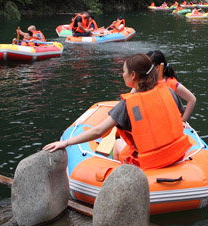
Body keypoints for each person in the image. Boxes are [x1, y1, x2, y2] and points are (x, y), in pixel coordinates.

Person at [43, 53, 191, 170]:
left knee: (118, 143)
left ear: (133, 75)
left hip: (150, 162)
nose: (122, 74)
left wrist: (66, 142)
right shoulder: (168, 91)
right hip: (177, 154)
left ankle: (121, 176)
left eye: (123, 71)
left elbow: (98, 131)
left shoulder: (127, 104)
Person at [146, 50, 197, 122]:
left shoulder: (171, 83)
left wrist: (183, 120)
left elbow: (192, 99)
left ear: (157, 67)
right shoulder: (145, 81)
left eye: (147, 67)